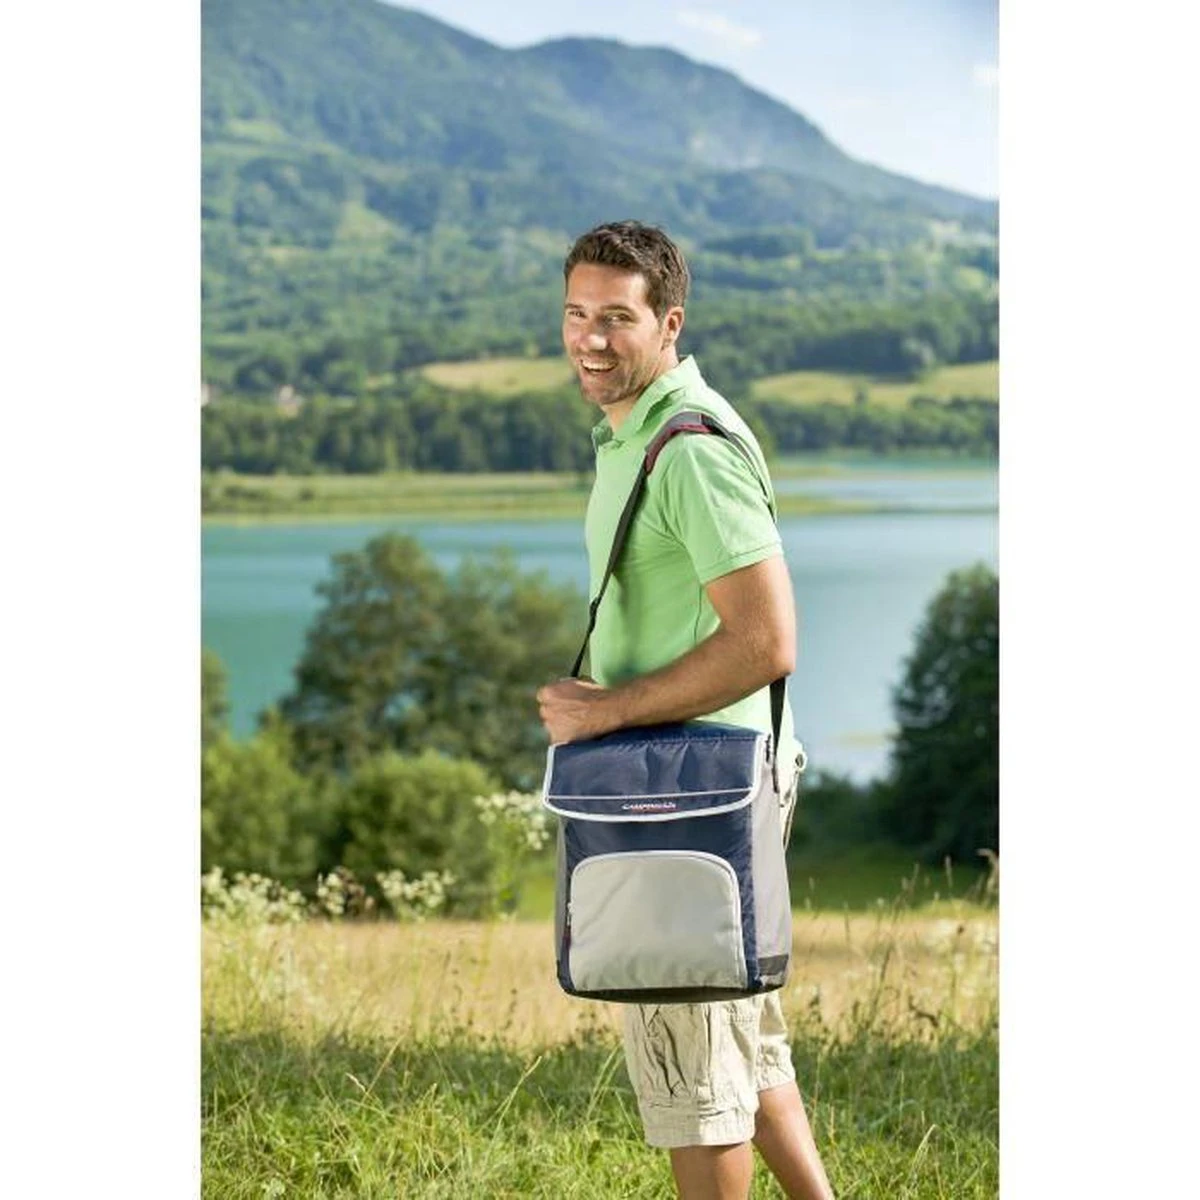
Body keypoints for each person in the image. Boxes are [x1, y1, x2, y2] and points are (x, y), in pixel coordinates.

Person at [537, 221, 836, 1200]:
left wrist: (608, 712)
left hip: (691, 795)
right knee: (739, 1032)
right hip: (700, 779)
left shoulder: (690, 450)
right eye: (577, 314)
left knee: (694, 1072)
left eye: (616, 319)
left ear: (669, 323)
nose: (590, 338)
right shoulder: (637, 433)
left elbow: (766, 641)